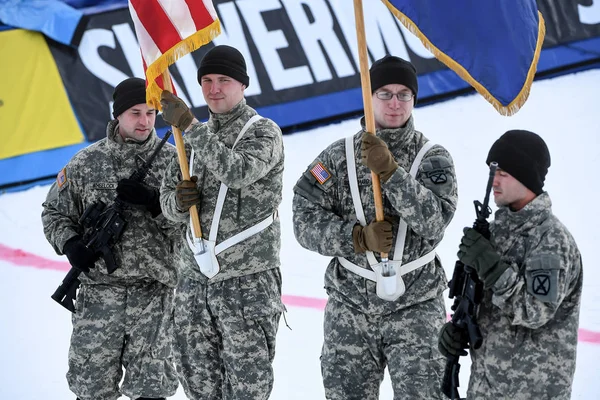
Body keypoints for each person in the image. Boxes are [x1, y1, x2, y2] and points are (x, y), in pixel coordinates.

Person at [292, 55, 458, 399]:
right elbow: (303, 219)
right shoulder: (338, 157)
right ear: (369, 97)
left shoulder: (432, 158)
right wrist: (355, 237)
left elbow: (434, 223)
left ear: (414, 99)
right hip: (350, 306)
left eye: (404, 94)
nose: (395, 103)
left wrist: (392, 174)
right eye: (384, 93)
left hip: (416, 306)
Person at [158, 44, 285, 400]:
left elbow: (238, 171)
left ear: (242, 85)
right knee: (198, 387)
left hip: (246, 286)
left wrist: (191, 127)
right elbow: (166, 202)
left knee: (248, 389)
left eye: (224, 80)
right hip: (194, 285)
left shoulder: (263, 132)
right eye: (207, 80)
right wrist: (180, 204)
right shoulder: (187, 142)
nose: (214, 89)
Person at [41, 77, 180, 400]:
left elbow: (193, 229)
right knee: (90, 387)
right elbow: (54, 212)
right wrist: (70, 244)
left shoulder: (175, 163)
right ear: (117, 114)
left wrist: (155, 204)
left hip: (154, 294)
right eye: (135, 113)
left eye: (150, 112)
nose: (144, 121)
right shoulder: (86, 163)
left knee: (152, 387)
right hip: (99, 295)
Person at [438, 130, 583, 399]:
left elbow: (534, 311)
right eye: (493, 171)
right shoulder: (494, 233)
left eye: (503, 172)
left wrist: (492, 267)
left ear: (526, 176)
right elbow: (485, 306)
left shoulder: (550, 239)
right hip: (486, 387)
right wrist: (458, 329)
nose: (494, 180)